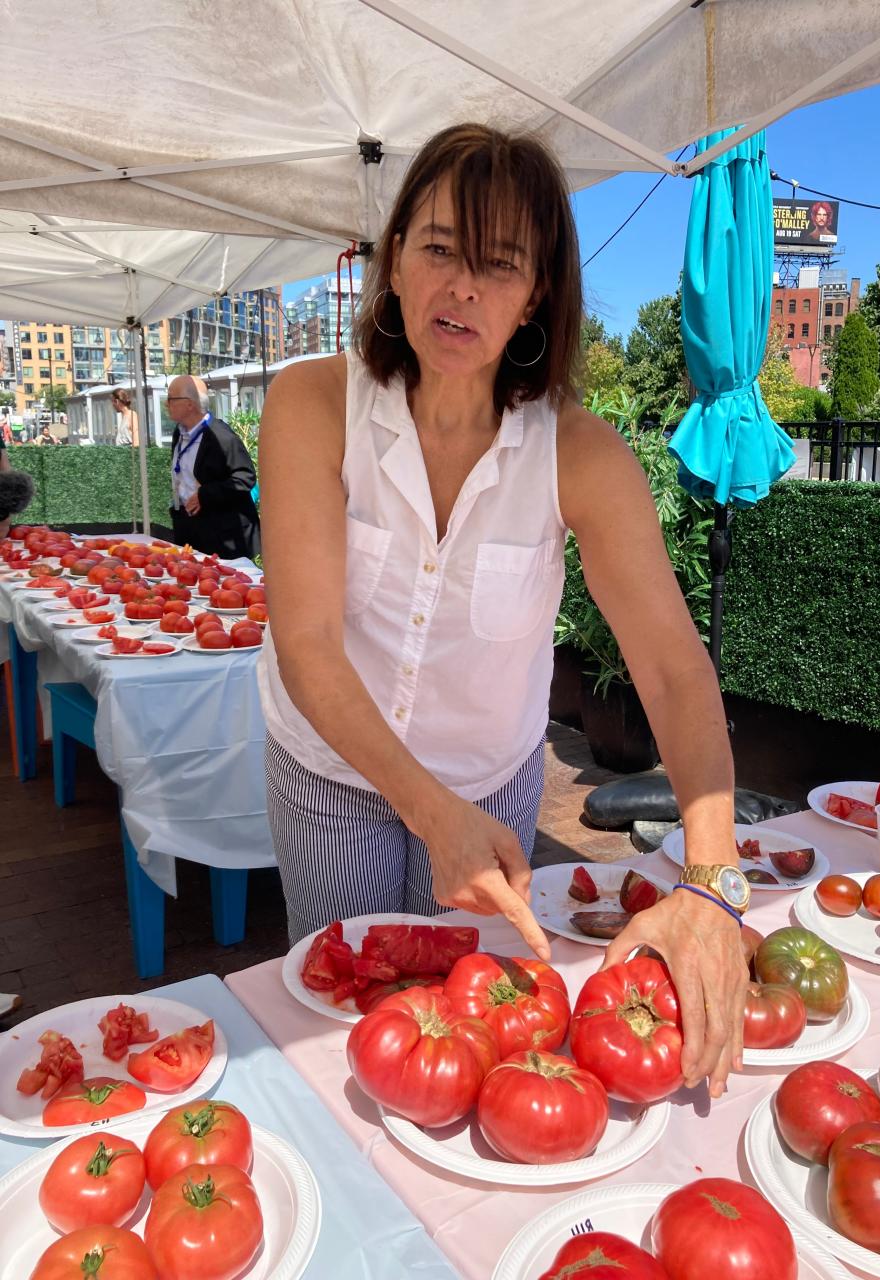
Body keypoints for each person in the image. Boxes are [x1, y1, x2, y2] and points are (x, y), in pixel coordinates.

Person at [258, 123, 747, 1098]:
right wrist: (427, 809)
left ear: (538, 298)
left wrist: (715, 882)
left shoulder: (583, 457)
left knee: (469, 1029)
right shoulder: (310, 402)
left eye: (500, 263)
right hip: (330, 771)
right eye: (439, 247)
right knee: (347, 1029)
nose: (463, 287)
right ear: (394, 260)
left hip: (490, 782)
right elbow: (307, 641)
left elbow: (673, 667)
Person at [166, 375, 260, 558]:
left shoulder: (221, 436)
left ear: (190, 404)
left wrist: (205, 495)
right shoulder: (179, 432)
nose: (166, 405)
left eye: (171, 399)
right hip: (191, 530)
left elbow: (245, 477)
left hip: (222, 536)